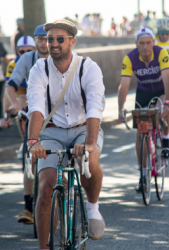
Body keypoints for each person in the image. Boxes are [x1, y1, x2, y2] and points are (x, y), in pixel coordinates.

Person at [27, 19, 105, 248]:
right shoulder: (39, 69)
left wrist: (90, 144)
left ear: (72, 41)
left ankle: (92, 208)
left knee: (89, 161)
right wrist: (33, 142)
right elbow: (36, 108)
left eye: (60, 39)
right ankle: (44, 247)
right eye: (50, 39)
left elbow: (94, 109)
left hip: (83, 128)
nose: (54, 44)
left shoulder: (88, 68)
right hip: (52, 132)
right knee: (46, 185)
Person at [118, 28, 169, 192]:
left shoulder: (161, 53)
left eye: (148, 43)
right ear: (136, 44)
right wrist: (121, 108)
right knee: (139, 133)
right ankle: (143, 175)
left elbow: (167, 78)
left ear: (153, 43)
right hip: (143, 93)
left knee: (163, 110)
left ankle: (165, 139)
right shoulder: (130, 58)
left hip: (161, 90)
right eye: (141, 43)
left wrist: (168, 103)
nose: (145, 47)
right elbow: (124, 85)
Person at [4, 25, 49, 225]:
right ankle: (28, 208)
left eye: (46, 38)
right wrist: (13, 104)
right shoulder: (26, 60)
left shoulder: (60, 57)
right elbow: (11, 85)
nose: (43, 42)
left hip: (58, 116)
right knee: (29, 158)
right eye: (38, 39)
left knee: (62, 154)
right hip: (34, 114)